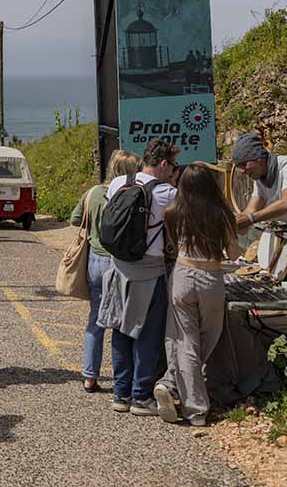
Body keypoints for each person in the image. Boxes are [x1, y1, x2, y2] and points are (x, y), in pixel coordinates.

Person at [153, 163, 240, 427]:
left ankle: (172, 385)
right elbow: (235, 253)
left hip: (182, 274)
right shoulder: (220, 214)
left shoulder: (172, 212)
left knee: (186, 341)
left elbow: (173, 245)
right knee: (208, 337)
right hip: (210, 277)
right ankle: (196, 409)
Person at [98, 137, 180, 416]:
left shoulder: (118, 184)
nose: (173, 173)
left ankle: (120, 394)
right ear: (164, 164)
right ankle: (141, 396)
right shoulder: (169, 193)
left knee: (120, 332)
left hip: (118, 268)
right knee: (148, 334)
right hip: (150, 270)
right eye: (172, 167)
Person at [69, 149, 140, 392]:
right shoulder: (131, 195)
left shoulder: (94, 194)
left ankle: (90, 375)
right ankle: (125, 379)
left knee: (96, 320)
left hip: (95, 262)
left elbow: (75, 219)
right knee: (123, 322)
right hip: (120, 263)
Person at [231, 131, 287, 233]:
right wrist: (236, 223)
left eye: (244, 164)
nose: (243, 171)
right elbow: (252, 209)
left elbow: (285, 203)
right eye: (239, 167)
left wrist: (250, 219)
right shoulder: (260, 176)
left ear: (259, 159)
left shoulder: (284, 166)